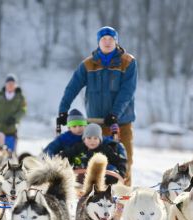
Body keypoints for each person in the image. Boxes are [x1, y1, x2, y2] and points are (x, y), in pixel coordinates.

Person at [57, 26, 137, 186]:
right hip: (95, 125)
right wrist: (63, 110)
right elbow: (72, 87)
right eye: (103, 39)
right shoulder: (88, 64)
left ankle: (124, 198)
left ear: (116, 42)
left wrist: (115, 113)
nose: (107, 42)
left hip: (120, 122)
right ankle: (97, 198)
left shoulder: (128, 62)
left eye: (110, 39)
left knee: (124, 161)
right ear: (98, 42)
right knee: (94, 163)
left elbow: (127, 91)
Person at [60, 123, 127, 185]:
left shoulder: (105, 149)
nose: (92, 141)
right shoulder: (78, 148)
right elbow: (65, 155)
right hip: (80, 178)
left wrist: (121, 173)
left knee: (111, 169)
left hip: (101, 180)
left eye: (95, 138)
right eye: (89, 138)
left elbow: (118, 161)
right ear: (84, 139)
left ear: (100, 140)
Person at [0, 74, 27, 152]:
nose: (10, 86)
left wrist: (15, 118)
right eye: (8, 84)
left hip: (10, 131)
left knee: (9, 154)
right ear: (5, 84)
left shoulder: (20, 98)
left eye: (12, 84)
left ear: (15, 85)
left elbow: (23, 110)